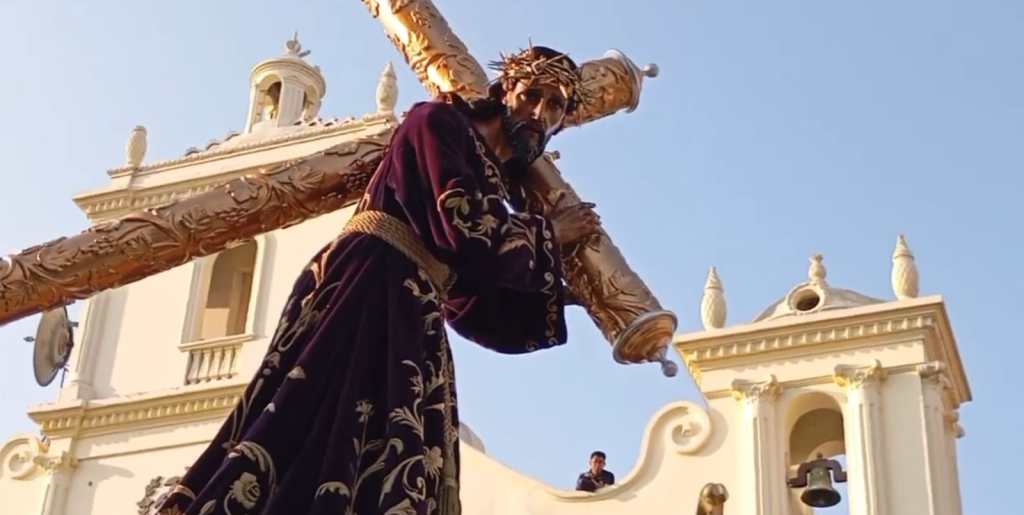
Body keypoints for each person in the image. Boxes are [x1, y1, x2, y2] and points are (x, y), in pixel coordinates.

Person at [156, 45, 599, 515]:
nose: (540, 113)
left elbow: (471, 296)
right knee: (321, 425)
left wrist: (555, 286)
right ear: (505, 89)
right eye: (532, 95)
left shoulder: (497, 183)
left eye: (555, 105)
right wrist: (548, 235)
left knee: (398, 457)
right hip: (368, 285)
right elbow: (460, 227)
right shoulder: (437, 123)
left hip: (416, 309)